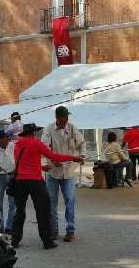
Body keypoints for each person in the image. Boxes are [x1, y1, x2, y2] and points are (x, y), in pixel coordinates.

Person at [11, 123, 84, 249]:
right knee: (42, 211)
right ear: (33, 132)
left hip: (20, 181)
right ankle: (47, 241)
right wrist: (73, 158)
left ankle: (15, 240)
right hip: (35, 181)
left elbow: (25, 163)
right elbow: (54, 156)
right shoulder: (36, 143)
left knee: (19, 212)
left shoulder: (17, 145)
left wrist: (41, 167)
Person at [41, 106, 85, 243]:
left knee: (70, 201)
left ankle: (70, 230)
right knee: (51, 202)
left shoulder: (73, 128)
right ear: (57, 118)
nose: (66, 120)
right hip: (53, 171)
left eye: (67, 117)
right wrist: (52, 159)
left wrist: (82, 155)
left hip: (69, 171)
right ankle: (53, 230)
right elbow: (44, 147)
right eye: (64, 117)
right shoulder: (48, 129)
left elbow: (82, 144)